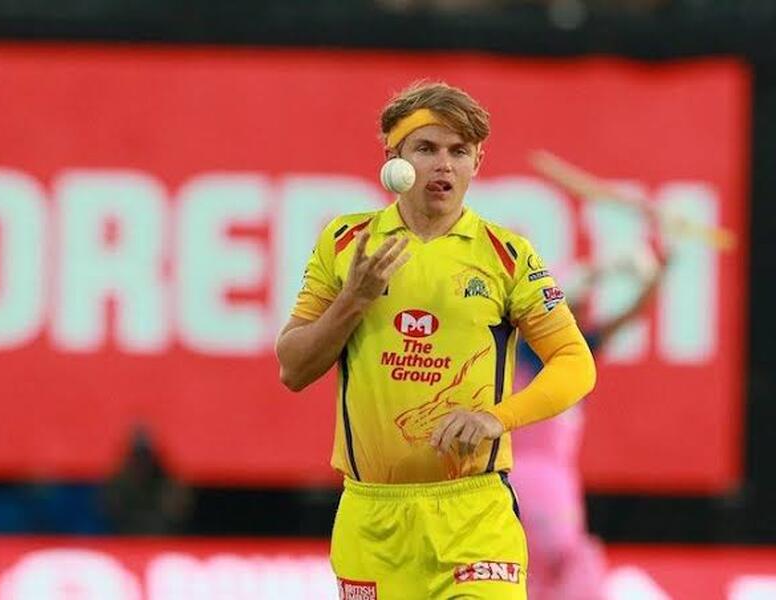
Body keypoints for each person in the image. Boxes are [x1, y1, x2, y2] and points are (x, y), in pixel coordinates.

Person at [275, 81, 596, 599]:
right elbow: (293, 368)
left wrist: (496, 418)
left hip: (474, 513)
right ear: (393, 159)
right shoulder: (346, 243)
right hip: (372, 520)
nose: (443, 165)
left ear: (477, 162)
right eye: (426, 149)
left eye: (459, 151)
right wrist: (353, 300)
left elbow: (575, 362)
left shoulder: (507, 255)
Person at [509, 238, 671, 599]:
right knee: (563, 564)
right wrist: (610, 269)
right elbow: (555, 299)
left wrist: (658, 273)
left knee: (527, 570)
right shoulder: (535, 348)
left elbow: (630, 315)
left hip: (538, 478)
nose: (581, 315)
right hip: (540, 481)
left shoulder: (573, 351)